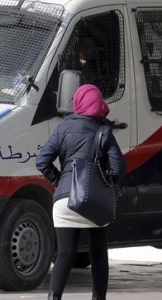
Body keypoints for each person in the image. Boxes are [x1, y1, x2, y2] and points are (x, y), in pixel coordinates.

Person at [36, 84, 126, 300]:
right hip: (94, 200)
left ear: (78, 103)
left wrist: (61, 183)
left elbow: (42, 161)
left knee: (65, 254)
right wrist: (106, 185)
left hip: (64, 202)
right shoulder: (103, 130)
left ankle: (53, 297)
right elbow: (119, 167)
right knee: (98, 254)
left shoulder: (62, 128)